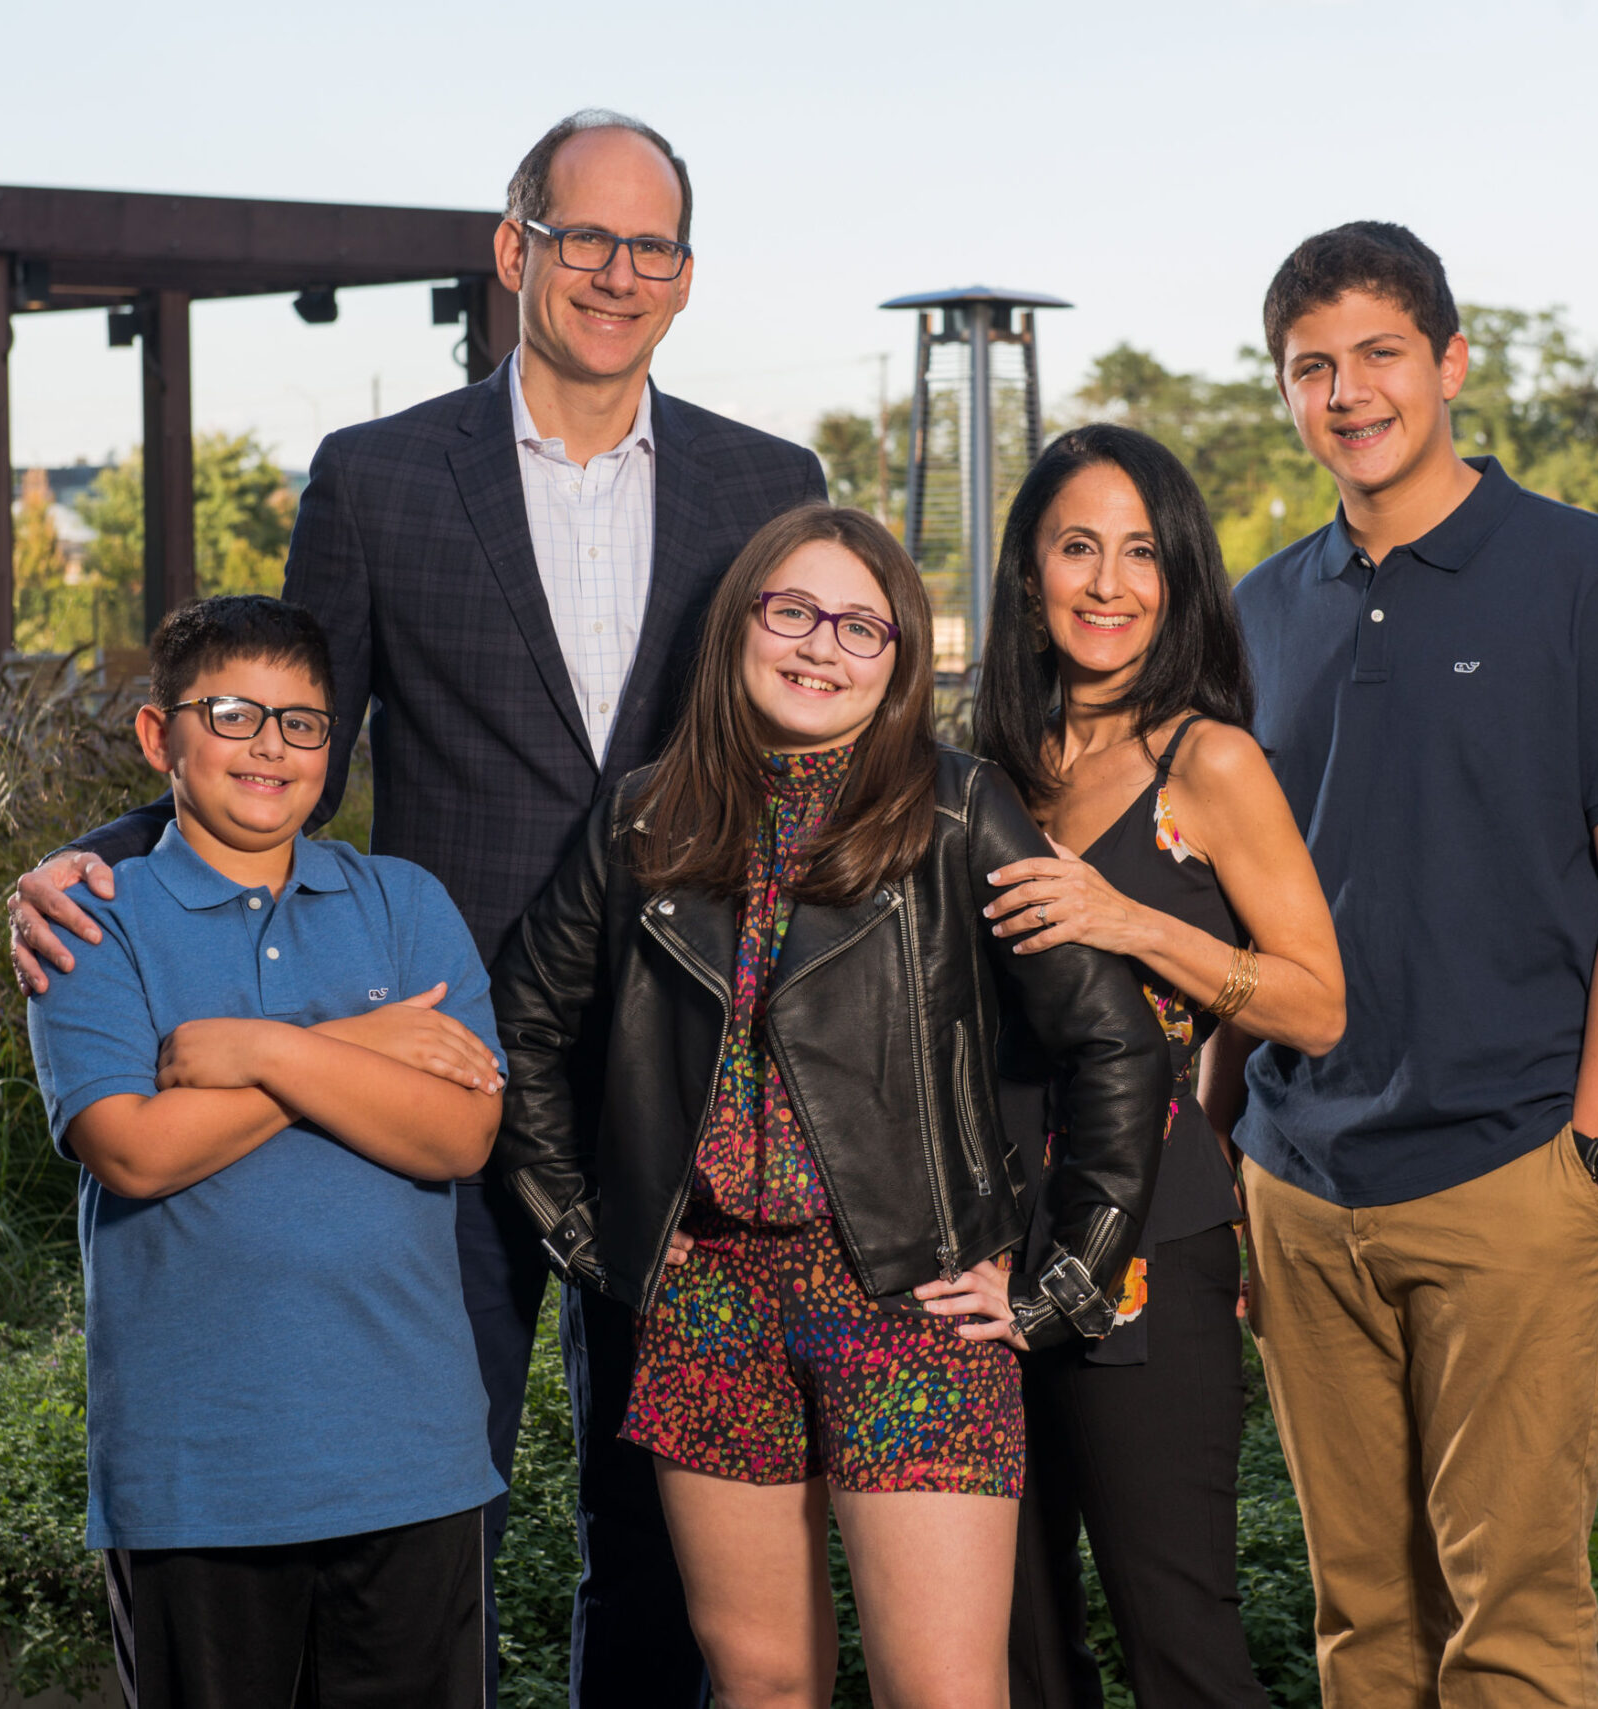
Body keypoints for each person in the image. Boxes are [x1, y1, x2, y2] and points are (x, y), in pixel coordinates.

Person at [6, 110, 826, 1706]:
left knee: (654, 1510)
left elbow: (817, 747)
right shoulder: (381, 477)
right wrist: (84, 859)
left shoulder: (765, 485)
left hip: (686, 1053)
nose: (615, 272)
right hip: (437, 1044)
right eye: (582, 237)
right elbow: (279, 726)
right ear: (516, 249)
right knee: (415, 1481)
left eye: (649, 245)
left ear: (686, 278)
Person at [489, 504, 1172, 1709]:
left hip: (912, 1297)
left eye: (862, 627)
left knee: (944, 1691)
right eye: (793, 611)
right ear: (741, 624)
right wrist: (580, 1222)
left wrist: (1063, 1278)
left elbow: (1114, 1041)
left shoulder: (960, 809)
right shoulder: (648, 812)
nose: (821, 647)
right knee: (758, 1683)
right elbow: (525, 1019)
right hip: (706, 1300)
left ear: (901, 660)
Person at [1220, 222, 1598, 1708]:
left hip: (1513, 1168)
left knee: (1510, 1623)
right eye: (1311, 367)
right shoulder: (1259, 612)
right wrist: (1231, 1147)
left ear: (1449, 361)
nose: (1348, 391)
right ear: (1285, 394)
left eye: (1379, 353)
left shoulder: (1584, 574)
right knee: (1361, 1621)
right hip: (1302, 1181)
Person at [26, 596, 505, 1708]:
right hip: (203, 1473)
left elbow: (463, 1129)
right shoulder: (93, 918)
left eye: (303, 722)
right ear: (162, 738)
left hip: (410, 1458)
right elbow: (134, 1148)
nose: (271, 747)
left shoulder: (403, 904)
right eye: (235, 714)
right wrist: (352, 1049)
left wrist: (255, 1051)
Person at [970, 424, 1344, 1709]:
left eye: (1141, 552)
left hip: (1148, 1237)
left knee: (1173, 1635)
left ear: (1178, 580)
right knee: (1009, 1646)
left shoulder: (1210, 762)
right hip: (975, 1241)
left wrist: (1129, 920)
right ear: (1030, 574)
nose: (1108, 581)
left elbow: (1315, 1001)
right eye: (1078, 546)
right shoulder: (981, 767)